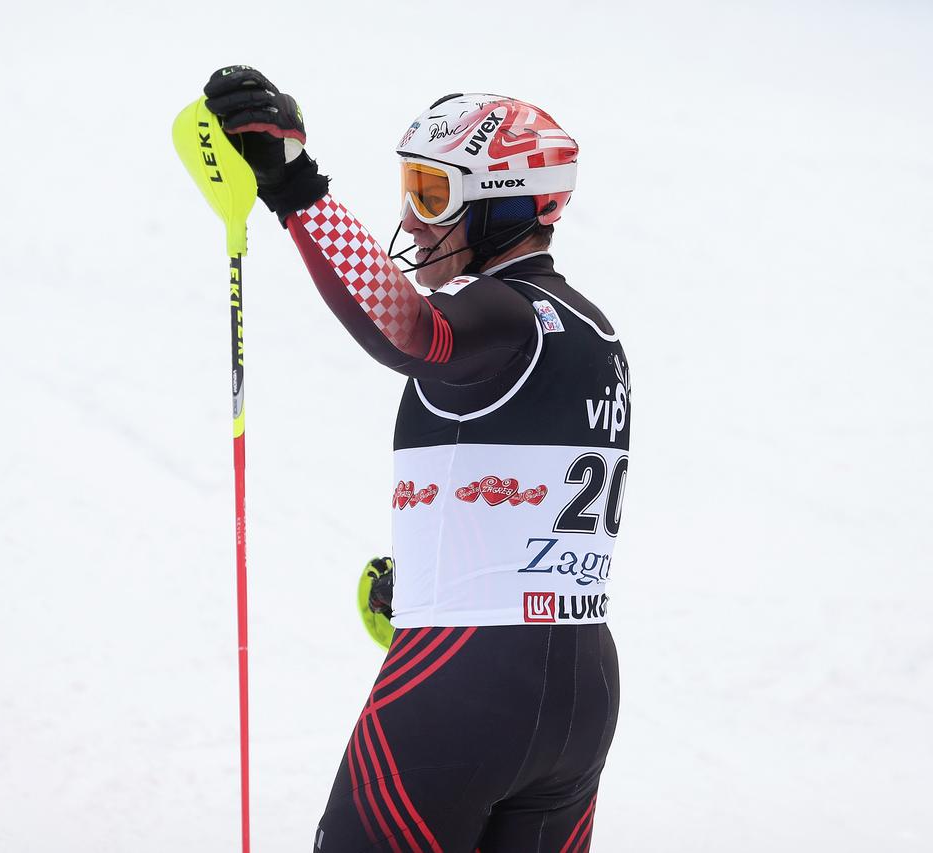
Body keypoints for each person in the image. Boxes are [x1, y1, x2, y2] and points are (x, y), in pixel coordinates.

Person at [203, 66, 630, 853]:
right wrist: (430, 582)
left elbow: (408, 331)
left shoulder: (503, 312)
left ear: (504, 205)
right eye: (411, 186)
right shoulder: (592, 331)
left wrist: (296, 190)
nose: (410, 215)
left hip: (465, 679)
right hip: (579, 686)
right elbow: (531, 499)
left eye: (434, 195)